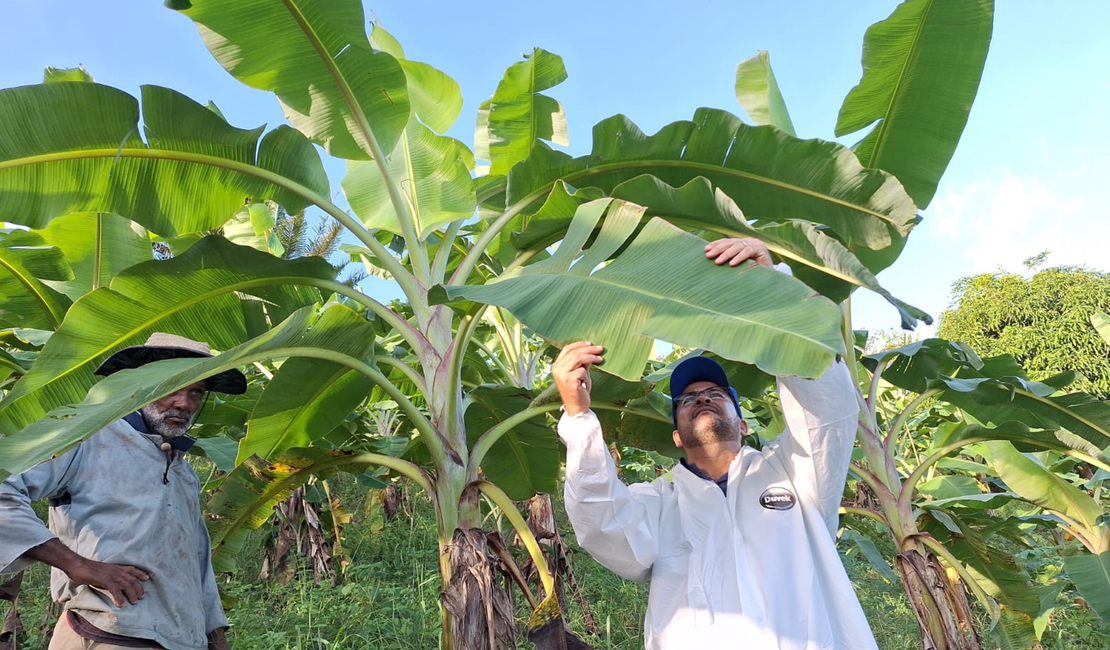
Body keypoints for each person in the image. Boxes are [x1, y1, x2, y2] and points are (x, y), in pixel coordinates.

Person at [551, 238, 878, 649]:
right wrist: (579, 417)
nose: (701, 398)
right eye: (687, 399)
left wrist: (777, 292)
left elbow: (825, 412)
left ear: (742, 425)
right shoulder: (658, 504)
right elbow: (599, 523)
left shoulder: (796, 472)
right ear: (675, 435)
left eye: (715, 393)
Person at [0, 333, 247, 650]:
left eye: (196, 392)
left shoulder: (183, 472)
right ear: (140, 384)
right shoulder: (87, 438)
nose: (184, 403)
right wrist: (79, 565)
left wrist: (214, 634)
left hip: (182, 639)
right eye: (172, 386)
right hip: (107, 632)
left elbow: (196, 562)